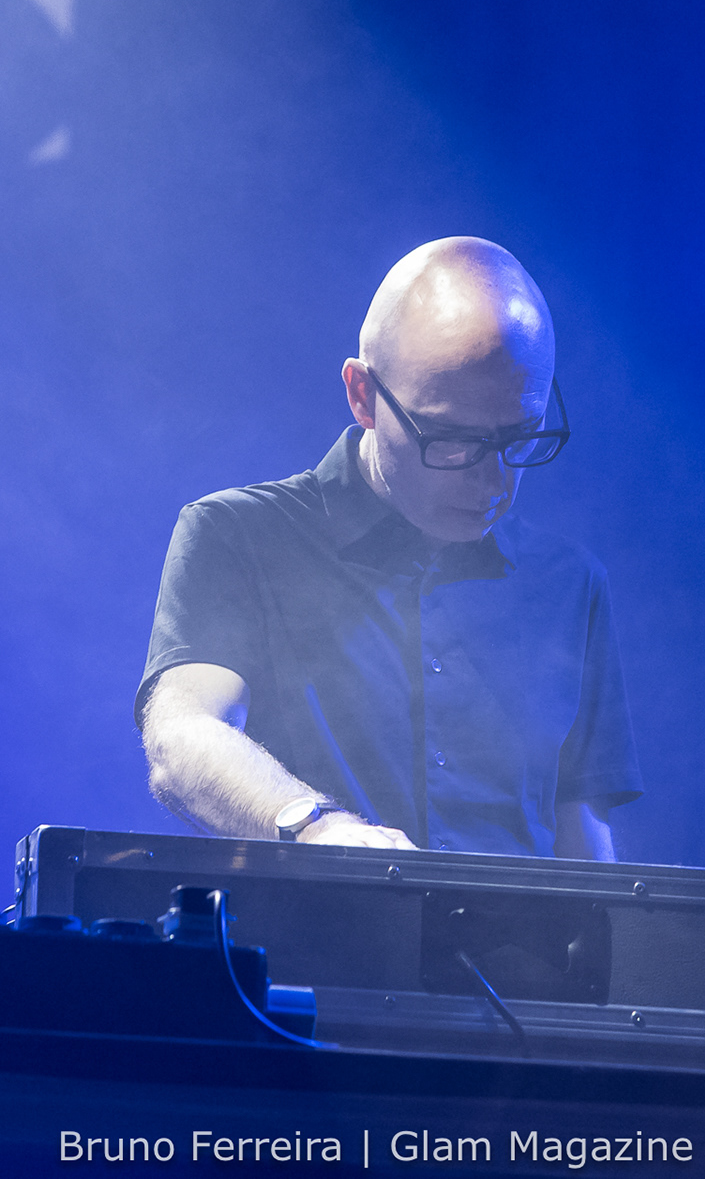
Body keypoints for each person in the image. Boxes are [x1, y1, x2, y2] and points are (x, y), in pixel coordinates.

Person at [137, 237, 641, 859]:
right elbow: (184, 736)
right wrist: (320, 828)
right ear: (363, 395)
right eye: (451, 438)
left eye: (521, 436)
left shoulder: (570, 583)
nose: (493, 481)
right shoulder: (236, 534)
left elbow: (583, 839)